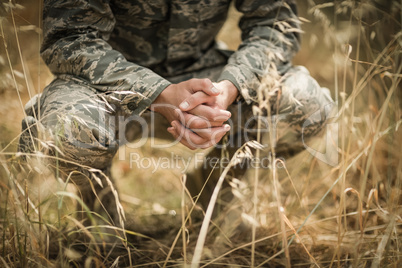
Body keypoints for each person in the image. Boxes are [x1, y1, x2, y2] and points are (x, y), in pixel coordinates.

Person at [19, 0, 333, 229]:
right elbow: (69, 39)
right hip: (107, 83)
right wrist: (159, 92)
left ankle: (215, 187)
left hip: (206, 79)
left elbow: (275, 24)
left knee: (308, 105)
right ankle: (98, 215)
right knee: (68, 130)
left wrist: (230, 86)